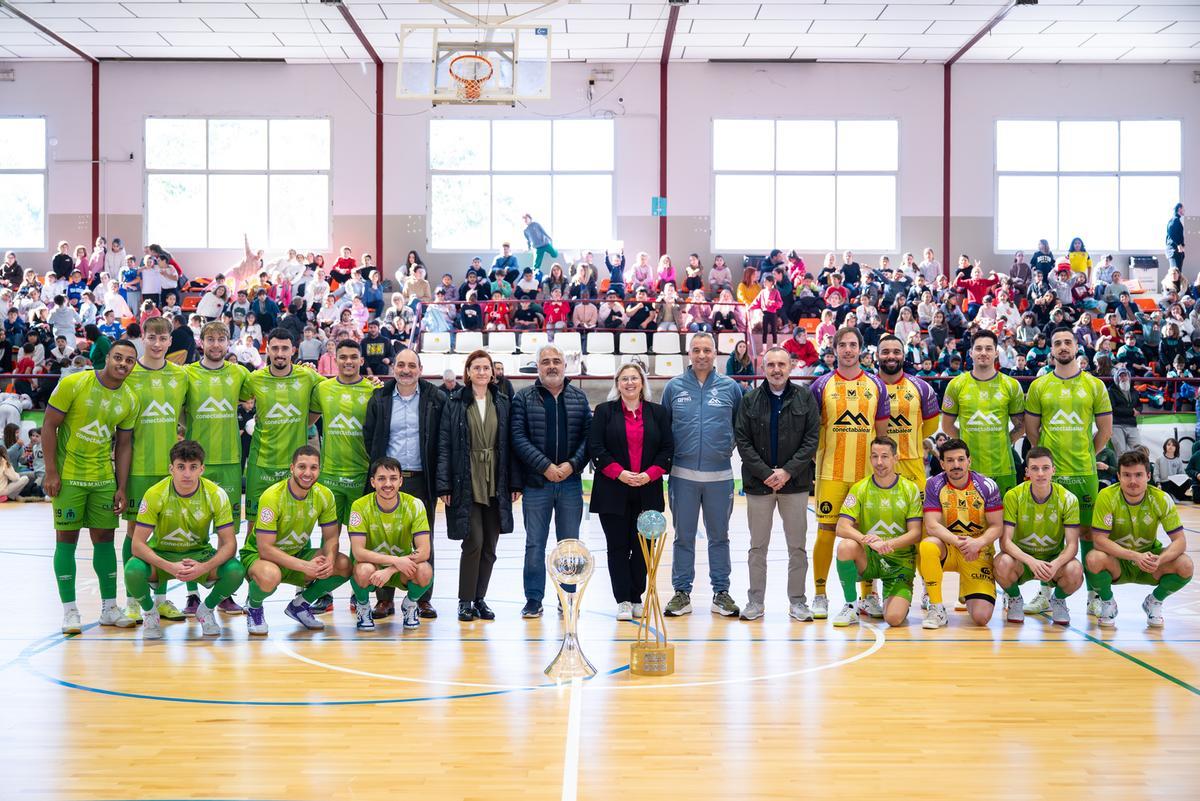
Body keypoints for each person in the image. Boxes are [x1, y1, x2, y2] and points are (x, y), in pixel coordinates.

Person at [42, 339, 140, 634]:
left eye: (129, 360)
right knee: (66, 541)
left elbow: (123, 446)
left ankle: (109, 608)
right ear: (107, 357)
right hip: (69, 477)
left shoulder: (130, 399)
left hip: (102, 479)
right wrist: (50, 472)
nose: (123, 364)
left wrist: (121, 486)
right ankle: (70, 611)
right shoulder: (75, 383)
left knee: (105, 540)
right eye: (118, 357)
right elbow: (49, 426)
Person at [1026, 326, 1112, 618]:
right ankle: (1045, 593)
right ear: (1050, 349)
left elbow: (1105, 430)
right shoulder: (1039, 386)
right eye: (1057, 343)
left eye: (1067, 342)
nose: (1063, 347)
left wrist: (1089, 454)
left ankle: (1093, 596)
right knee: (1049, 535)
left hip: (1084, 474)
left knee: (1088, 536)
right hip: (1051, 476)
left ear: (1077, 347)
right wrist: (1047, 462)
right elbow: (1031, 431)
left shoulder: (1095, 385)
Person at [808, 327, 890, 619]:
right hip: (831, 472)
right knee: (827, 532)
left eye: (853, 345)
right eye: (842, 345)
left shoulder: (876, 386)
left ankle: (869, 595)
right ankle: (819, 594)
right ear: (835, 349)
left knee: (867, 534)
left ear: (861, 349)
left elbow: (882, 436)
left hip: (865, 475)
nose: (847, 350)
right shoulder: (821, 385)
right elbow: (811, 430)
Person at [124, 440, 244, 640]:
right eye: (181, 467)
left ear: (202, 469)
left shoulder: (216, 494)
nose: (187, 474)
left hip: (199, 555)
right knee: (132, 570)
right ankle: (150, 612)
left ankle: (206, 610)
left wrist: (204, 567)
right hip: (163, 556)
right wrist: (169, 566)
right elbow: (137, 544)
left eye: (193, 467)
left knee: (236, 571)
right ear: (171, 468)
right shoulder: (155, 493)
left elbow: (230, 544)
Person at [660, 332, 743, 618]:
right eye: (696, 350)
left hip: (719, 476)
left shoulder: (731, 388)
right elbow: (664, 429)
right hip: (682, 477)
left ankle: (721, 592)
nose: (702, 355)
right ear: (689, 354)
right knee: (683, 537)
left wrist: (722, 449)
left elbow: (739, 429)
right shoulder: (673, 388)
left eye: (707, 350)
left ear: (716, 353)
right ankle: (681, 592)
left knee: (719, 537)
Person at [734, 346, 820, 621]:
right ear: (763, 367)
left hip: (794, 484)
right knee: (758, 546)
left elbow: (811, 440)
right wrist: (765, 473)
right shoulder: (750, 400)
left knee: (797, 547)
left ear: (791, 366)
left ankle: (797, 602)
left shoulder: (805, 398)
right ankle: (755, 602)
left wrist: (787, 472)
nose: (776, 370)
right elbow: (743, 442)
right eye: (771, 365)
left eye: (781, 364)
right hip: (760, 485)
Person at [117, 317, 193, 625]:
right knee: (135, 531)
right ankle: (134, 599)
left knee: (163, 535)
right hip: (137, 468)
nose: (157, 343)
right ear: (143, 338)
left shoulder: (181, 376)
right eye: (152, 337)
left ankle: (161, 599)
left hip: (169, 470)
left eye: (163, 338)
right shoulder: (130, 374)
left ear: (170, 341)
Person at [363, 348, 445, 619]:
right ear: (394, 368)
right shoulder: (380, 398)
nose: (406, 370)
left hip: (423, 480)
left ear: (420, 369)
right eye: (401, 365)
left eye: (412, 365)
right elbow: (370, 438)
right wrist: (382, 476)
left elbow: (443, 444)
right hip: (388, 482)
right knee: (383, 540)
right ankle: (384, 600)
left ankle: (421, 598)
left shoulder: (436, 398)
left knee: (423, 540)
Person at [511, 345, 591, 618]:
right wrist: (545, 466)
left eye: (557, 361)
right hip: (537, 484)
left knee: (569, 544)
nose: (552, 366)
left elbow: (588, 439)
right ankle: (533, 599)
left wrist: (571, 465)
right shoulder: (523, 398)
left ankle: (567, 595)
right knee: (535, 543)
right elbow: (518, 438)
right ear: (538, 367)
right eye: (546, 362)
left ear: (565, 366)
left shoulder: (579, 398)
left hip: (570, 483)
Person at [437, 350, 518, 622]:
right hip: (466, 477)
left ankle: (480, 598)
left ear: (492, 373)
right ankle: (465, 600)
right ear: (468, 372)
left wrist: (515, 482)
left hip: (497, 478)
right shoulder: (455, 402)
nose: (482, 372)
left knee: (490, 547)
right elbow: (445, 444)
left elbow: (512, 445)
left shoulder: (504, 402)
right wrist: (444, 485)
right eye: (477, 367)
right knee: (474, 541)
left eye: (486, 368)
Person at [588, 362, 672, 619]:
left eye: (634, 378)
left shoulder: (658, 413)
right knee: (618, 547)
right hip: (613, 491)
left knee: (644, 547)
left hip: (648, 490)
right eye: (624, 379)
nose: (630, 383)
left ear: (642, 383)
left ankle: (637, 595)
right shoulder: (604, 412)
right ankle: (623, 599)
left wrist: (649, 475)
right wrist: (620, 473)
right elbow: (596, 448)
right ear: (617, 384)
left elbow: (667, 451)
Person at [240, 445, 350, 634]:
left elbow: (331, 537)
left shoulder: (325, 495)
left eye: (313, 467)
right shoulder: (272, 496)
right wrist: (306, 566)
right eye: (302, 467)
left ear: (319, 469)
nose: (307, 473)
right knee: (270, 575)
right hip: (259, 557)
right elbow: (265, 548)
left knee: (343, 564)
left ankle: (300, 605)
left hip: (296, 554)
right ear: (292, 468)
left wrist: (329, 561)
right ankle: (254, 607)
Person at [183, 323, 252, 615]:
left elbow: (269, 387)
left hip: (230, 464)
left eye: (221, 339)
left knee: (228, 534)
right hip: (195, 465)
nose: (215, 344)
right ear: (201, 341)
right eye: (210, 339)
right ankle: (191, 594)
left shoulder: (240, 374)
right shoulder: (186, 374)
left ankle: (224, 592)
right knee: (190, 532)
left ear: (229, 342)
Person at [1087, 449, 1194, 628]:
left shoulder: (1161, 498)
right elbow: (1099, 540)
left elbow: (1180, 541)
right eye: (1127, 475)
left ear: (1148, 476)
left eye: (1138, 475)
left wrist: (1160, 559)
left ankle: (1154, 601)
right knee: (1093, 558)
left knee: (1185, 565)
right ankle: (1107, 602)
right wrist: (1135, 556)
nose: (1133, 481)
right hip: (1119, 562)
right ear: (1119, 476)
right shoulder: (1106, 496)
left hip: (1150, 564)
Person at [832, 437, 923, 628]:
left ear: (896, 458)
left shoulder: (910, 489)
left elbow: (915, 533)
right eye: (874, 456)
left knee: (893, 619)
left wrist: (888, 544)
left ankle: (896, 599)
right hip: (871, 557)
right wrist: (867, 540)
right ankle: (851, 606)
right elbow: (841, 527)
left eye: (884, 456)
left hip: (900, 562)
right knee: (846, 546)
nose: (879, 462)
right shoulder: (860, 488)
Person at [919, 438, 1004, 630]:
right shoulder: (933, 484)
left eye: (960, 459)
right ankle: (937, 607)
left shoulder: (987, 485)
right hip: (950, 548)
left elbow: (997, 526)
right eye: (949, 460)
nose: (956, 465)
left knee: (981, 618)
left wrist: (979, 542)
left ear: (969, 461)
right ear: (942, 463)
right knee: (928, 545)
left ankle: (968, 588)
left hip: (978, 551)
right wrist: (962, 543)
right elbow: (932, 525)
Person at [994, 447, 1083, 626]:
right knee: (1001, 562)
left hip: (1052, 561)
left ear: (1053, 470)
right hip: (1022, 560)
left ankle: (1057, 600)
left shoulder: (1068, 499)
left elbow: (1072, 545)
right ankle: (1015, 599)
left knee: (1075, 570)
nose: (1040, 473)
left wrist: (1056, 563)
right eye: (1034, 468)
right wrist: (1031, 562)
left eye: (1045, 468)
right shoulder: (1014, 496)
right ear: (1027, 471)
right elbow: (1005, 542)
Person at [348, 457, 434, 631]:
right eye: (381, 479)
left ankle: (410, 605)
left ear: (401, 481)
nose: (388, 484)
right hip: (374, 569)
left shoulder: (415, 505)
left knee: (425, 571)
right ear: (372, 482)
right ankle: (363, 607)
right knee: (362, 569)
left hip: (402, 569)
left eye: (393, 478)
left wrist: (392, 567)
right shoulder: (359, 506)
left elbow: (424, 551)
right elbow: (358, 552)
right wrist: (395, 561)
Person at [940, 330, 1025, 499]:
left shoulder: (1011, 385)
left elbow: (1021, 425)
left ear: (996, 353)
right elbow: (947, 425)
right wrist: (964, 440)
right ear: (971, 353)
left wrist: (1007, 439)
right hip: (967, 470)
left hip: (1003, 468)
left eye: (988, 348)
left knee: (1004, 523)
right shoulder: (956, 385)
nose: (983, 353)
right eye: (978, 348)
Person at [309, 339, 376, 534]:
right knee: (329, 539)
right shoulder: (323, 389)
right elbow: (308, 421)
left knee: (360, 538)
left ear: (361, 361)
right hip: (330, 475)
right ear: (335, 359)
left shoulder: (373, 390)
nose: (349, 361)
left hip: (361, 474)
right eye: (343, 357)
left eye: (354, 357)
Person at [1107, 367, 1141, 455]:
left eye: (1125, 376)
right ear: (1117, 378)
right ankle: (1122, 469)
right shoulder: (1111, 391)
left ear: (1129, 377)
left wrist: (1138, 410)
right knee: (1121, 452)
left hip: (1131, 424)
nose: (1123, 378)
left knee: (1139, 451)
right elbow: (1112, 409)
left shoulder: (1134, 391)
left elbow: (1139, 405)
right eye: (1120, 376)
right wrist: (1132, 412)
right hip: (1116, 425)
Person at [1167, 202, 1186, 271]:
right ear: (1179, 209)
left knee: (1178, 274)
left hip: (1177, 252)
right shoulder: (1174, 220)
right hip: (1173, 251)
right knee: (1175, 273)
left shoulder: (1176, 220)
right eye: (1183, 209)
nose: (1184, 211)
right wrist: (1179, 244)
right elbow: (1171, 232)